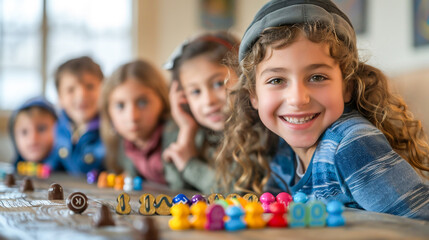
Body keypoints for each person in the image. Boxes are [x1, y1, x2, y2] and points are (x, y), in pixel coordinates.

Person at [217, 0, 429, 220]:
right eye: (277, 80)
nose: (298, 99)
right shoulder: (280, 150)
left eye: (317, 77)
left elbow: (420, 224)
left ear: (346, 86)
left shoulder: (351, 146)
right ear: (254, 95)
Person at [162, 31, 240, 193]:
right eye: (196, 92)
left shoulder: (256, 134)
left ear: (243, 77)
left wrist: (190, 165)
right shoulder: (195, 133)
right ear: (183, 98)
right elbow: (177, 190)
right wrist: (187, 132)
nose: (208, 101)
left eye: (219, 83)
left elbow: (235, 195)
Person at [100, 60, 171, 185]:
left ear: (163, 101)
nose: (132, 117)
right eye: (120, 105)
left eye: (142, 102)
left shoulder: (181, 137)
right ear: (108, 110)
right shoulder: (120, 145)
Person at [53, 56, 105, 175]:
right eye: (71, 89)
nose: (81, 95)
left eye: (90, 86)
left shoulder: (111, 129)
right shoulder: (58, 128)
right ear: (60, 98)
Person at [9, 97, 58, 168]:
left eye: (41, 129)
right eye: (24, 132)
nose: (33, 138)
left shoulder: (70, 169)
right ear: (14, 137)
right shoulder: (12, 171)